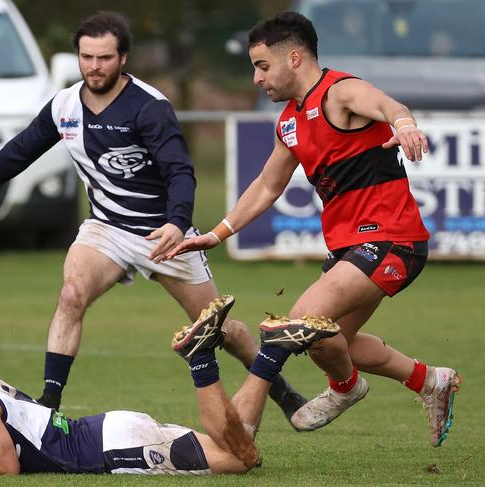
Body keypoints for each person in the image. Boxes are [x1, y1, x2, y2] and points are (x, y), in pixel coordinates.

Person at [0, 11, 305, 419]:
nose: (94, 66)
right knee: (71, 294)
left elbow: (180, 171)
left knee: (219, 329)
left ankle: (282, 392)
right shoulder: (65, 105)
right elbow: (18, 153)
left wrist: (177, 223)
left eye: (104, 57)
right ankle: (48, 407)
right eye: (86, 57)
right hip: (104, 229)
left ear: (123, 58)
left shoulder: (149, 107)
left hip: (161, 233)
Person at [165, 11, 460, 447]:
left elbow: (385, 104)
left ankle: (253, 424)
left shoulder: (340, 92)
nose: (256, 78)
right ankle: (430, 381)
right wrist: (218, 233)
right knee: (330, 344)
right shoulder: (289, 121)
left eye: (263, 66)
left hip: (393, 239)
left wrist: (404, 125)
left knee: (300, 319)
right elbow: (268, 185)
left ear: (296, 58)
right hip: (348, 247)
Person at [0, 301, 338, 474]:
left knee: (237, 459)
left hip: (108, 451)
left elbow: (5, 470)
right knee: (238, 447)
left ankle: (207, 359)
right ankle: (272, 351)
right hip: (110, 431)